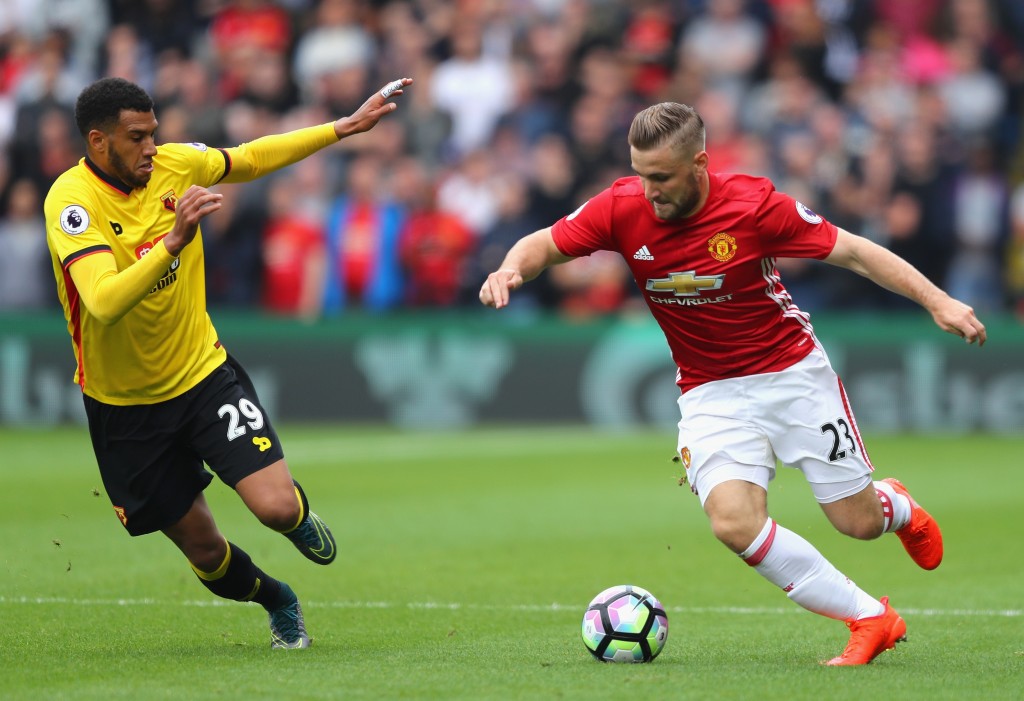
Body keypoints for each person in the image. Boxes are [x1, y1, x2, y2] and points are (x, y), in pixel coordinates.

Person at [479, 102, 986, 666]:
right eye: (641, 174)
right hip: (709, 391)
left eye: (662, 177)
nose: (649, 191)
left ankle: (896, 507)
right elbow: (545, 244)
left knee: (858, 523)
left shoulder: (753, 206)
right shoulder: (622, 205)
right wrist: (510, 269)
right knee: (732, 522)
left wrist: (937, 301)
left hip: (791, 374)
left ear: (699, 164)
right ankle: (870, 617)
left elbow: (855, 253)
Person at [44, 75, 412, 649]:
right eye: (136, 137)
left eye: (154, 134)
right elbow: (103, 301)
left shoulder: (176, 165)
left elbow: (250, 158)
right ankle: (277, 600)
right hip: (125, 408)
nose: (151, 148)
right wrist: (173, 240)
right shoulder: (71, 203)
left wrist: (342, 128)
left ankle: (298, 519)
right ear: (98, 142)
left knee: (275, 507)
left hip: (202, 375)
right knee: (206, 551)